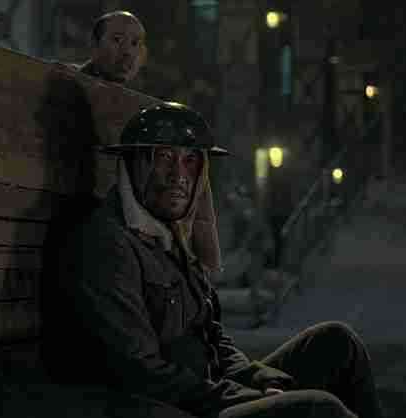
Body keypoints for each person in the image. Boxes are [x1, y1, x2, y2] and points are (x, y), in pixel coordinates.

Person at [43, 102, 383, 418]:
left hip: (207, 392)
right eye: (165, 158)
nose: (179, 175)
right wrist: (244, 396)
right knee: (319, 409)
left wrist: (258, 376)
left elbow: (213, 339)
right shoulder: (108, 244)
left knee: (336, 344)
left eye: (190, 161)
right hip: (171, 407)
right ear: (135, 164)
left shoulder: (171, 238)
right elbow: (140, 374)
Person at [77, 11, 147, 84]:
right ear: (94, 43)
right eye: (117, 39)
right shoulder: (71, 84)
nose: (128, 51)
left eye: (134, 43)